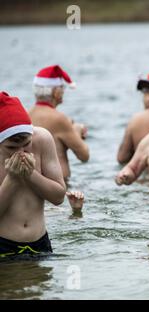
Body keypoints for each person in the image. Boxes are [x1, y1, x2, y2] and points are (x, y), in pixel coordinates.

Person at [0, 92, 65, 257]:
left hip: (40, 241)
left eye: (26, 144)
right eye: (12, 148)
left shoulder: (42, 139)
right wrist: (13, 179)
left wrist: (30, 175)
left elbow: (58, 197)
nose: (21, 153)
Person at [28, 65, 88, 214]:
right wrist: (76, 130)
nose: (63, 92)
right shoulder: (60, 119)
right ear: (55, 92)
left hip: (33, 187)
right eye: (62, 88)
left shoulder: (26, 115)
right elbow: (84, 156)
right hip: (58, 187)